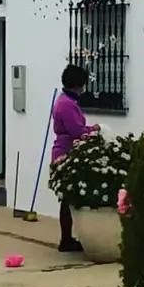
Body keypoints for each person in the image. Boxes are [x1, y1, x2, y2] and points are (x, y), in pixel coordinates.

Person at [51, 64, 99, 252]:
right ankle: (66, 239)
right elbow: (77, 131)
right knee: (68, 199)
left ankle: (67, 238)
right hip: (66, 152)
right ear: (78, 84)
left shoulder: (63, 101)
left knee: (67, 198)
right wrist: (94, 129)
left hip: (64, 150)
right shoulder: (67, 104)